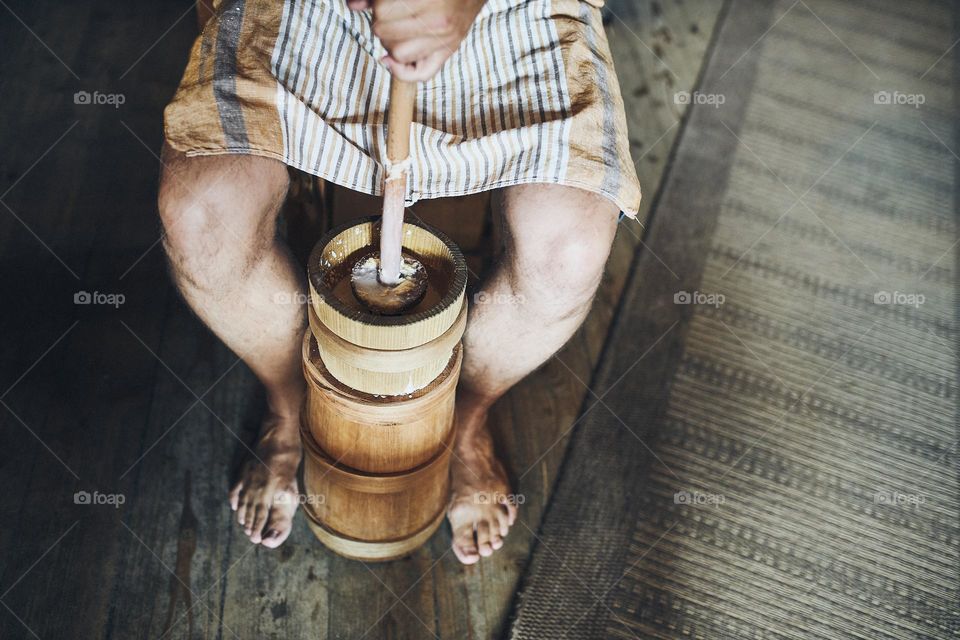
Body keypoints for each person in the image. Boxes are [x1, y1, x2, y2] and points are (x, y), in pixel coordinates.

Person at [159, 0, 640, 564]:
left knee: (571, 248)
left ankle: (465, 418)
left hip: (514, 11)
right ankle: (289, 402)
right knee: (202, 216)